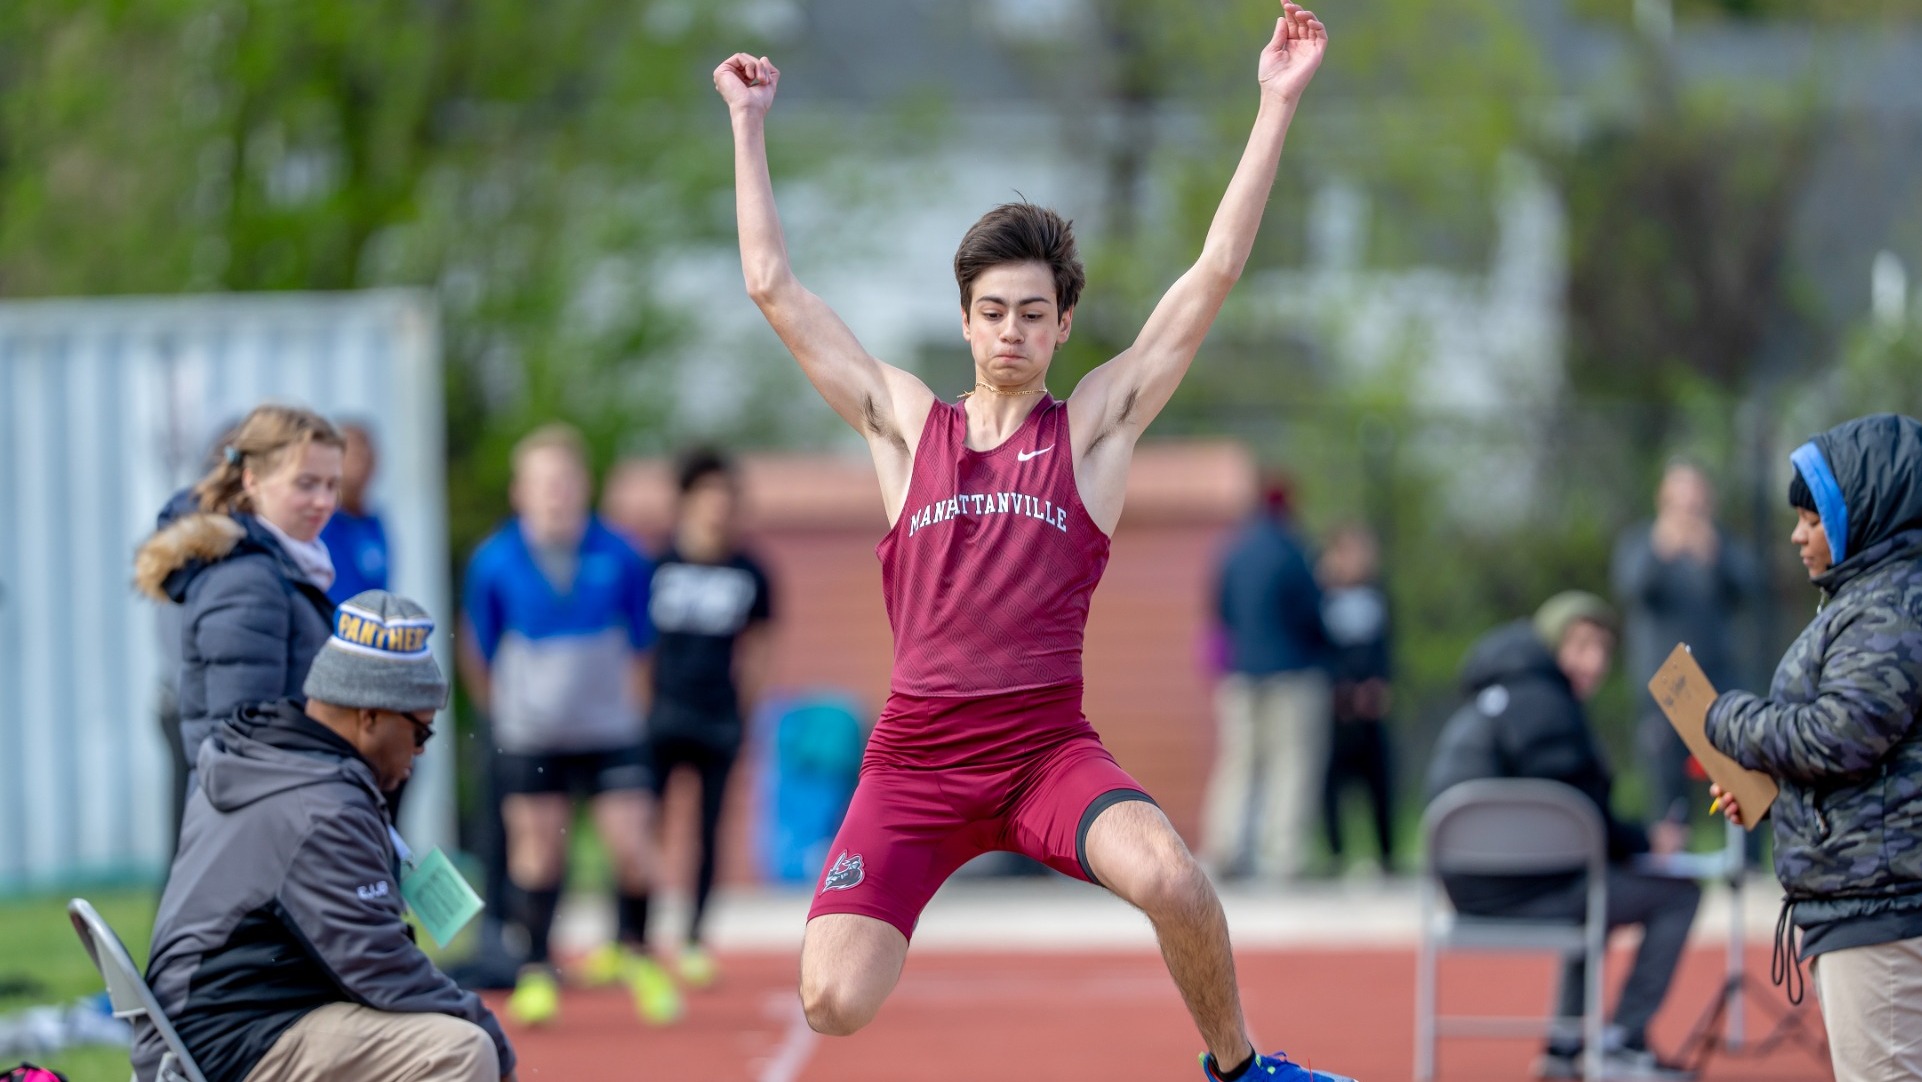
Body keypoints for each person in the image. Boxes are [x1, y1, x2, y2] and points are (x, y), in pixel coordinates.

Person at [715, 7, 1352, 1080]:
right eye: (992, 311)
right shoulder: (906, 424)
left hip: (1043, 751)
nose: (1010, 330)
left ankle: (1242, 1066)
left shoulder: (1092, 431)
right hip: (913, 762)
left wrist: (1274, 102)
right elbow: (773, 287)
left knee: (1175, 878)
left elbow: (1210, 276)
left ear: (1061, 326)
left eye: (1032, 313)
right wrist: (746, 122)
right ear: (964, 321)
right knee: (830, 998)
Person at [136, 591, 517, 1082]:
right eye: (421, 732)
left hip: (205, 1031)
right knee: (459, 1049)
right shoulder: (319, 805)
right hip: (230, 1047)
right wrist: (492, 1035)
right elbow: (379, 966)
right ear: (371, 716)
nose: (421, 752)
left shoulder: (264, 757)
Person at [1705, 413, 1922, 1082]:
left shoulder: (1891, 603)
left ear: (1864, 511)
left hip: (1882, 912)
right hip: (1869, 900)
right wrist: (1776, 800)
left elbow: (1842, 736)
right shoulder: (1871, 595)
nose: (1798, 535)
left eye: (1813, 517)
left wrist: (1727, 718)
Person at [457, 423, 679, 1028]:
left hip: (610, 730)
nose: (556, 494)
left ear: (586, 487)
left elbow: (643, 645)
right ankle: (536, 970)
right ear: (519, 492)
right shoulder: (493, 561)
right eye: (543, 483)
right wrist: (503, 715)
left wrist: (629, 711)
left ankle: (637, 955)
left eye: (566, 481)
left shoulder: (624, 556)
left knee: (633, 847)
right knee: (536, 855)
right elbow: (478, 647)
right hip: (531, 733)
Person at [1426, 592, 1700, 1080]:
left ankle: (1565, 1044)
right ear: (1549, 646)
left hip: (1464, 892)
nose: (1592, 662)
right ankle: (1624, 1042)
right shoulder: (1549, 706)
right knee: (1678, 893)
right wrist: (1647, 843)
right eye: (1579, 645)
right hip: (1523, 892)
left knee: (1596, 887)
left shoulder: (1497, 695)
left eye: (1602, 649)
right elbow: (1584, 812)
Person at [628, 448, 775, 989]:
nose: (718, 508)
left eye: (726, 497)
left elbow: (759, 648)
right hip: (661, 715)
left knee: (710, 831)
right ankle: (635, 938)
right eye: (707, 495)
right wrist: (640, 705)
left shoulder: (751, 571)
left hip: (718, 718)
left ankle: (693, 938)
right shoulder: (657, 566)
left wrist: (745, 709)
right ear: (686, 502)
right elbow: (636, 646)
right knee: (644, 826)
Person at [135, 404, 344, 781]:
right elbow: (243, 744)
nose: (324, 502)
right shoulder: (248, 582)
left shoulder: (282, 568)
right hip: (263, 820)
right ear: (251, 481)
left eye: (332, 485)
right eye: (306, 483)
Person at [1612, 460, 1759, 848]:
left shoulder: (1721, 544)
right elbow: (1632, 588)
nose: (1688, 510)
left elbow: (1749, 587)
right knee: (1665, 784)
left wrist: (1714, 553)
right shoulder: (1643, 542)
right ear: (1663, 500)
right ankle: (1674, 866)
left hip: (1719, 679)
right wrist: (1663, 550)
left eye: (1695, 499)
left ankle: (1745, 860)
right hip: (1664, 684)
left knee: (1738, 774)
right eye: (1680, 499)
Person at [1202, 479, 1330, 882]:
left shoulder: (1233, 551)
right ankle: (1281, 857)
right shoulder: (1293, 550)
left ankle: (1224, 850)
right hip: (1291, 673)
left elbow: (1220, 612)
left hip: (1239, 674)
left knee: (1238, 763)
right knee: (1290, 764)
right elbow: (1314, 614)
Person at [1317, 521, 1395, 875]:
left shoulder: (1377, 596)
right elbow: (1318, 647)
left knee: (1379, 780)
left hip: (1371, 704)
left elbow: (1387, 647)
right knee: (1331, 782)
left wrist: (1379, 685)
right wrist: (1341, 688)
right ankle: (1336, 853)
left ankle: (1386, 853)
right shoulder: (1321, 598)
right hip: (1337, 706)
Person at [319, 421, 391, 604]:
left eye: (368, 455)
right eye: (355, 455)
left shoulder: (374, 524)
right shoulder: (320, 524)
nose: (363, 464)